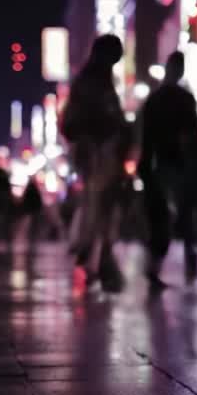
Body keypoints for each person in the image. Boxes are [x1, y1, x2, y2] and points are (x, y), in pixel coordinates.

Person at [61, 34, 126, 292]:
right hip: (97, 150)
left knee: (98, 203)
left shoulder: (89, 79)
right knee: (100, 204)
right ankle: (96, 258)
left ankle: (93, 257)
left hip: (94, 150)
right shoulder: (95, 82)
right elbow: (103, 117)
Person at [140, 50, 197, 288]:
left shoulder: (154, 99)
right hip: (180, 165)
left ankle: (155, 266)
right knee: (184, 215)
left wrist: (144, 165)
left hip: (161, 165)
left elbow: (146, 138)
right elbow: (194, 135)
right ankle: (190, 262)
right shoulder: (184, 99)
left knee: (162, 217)